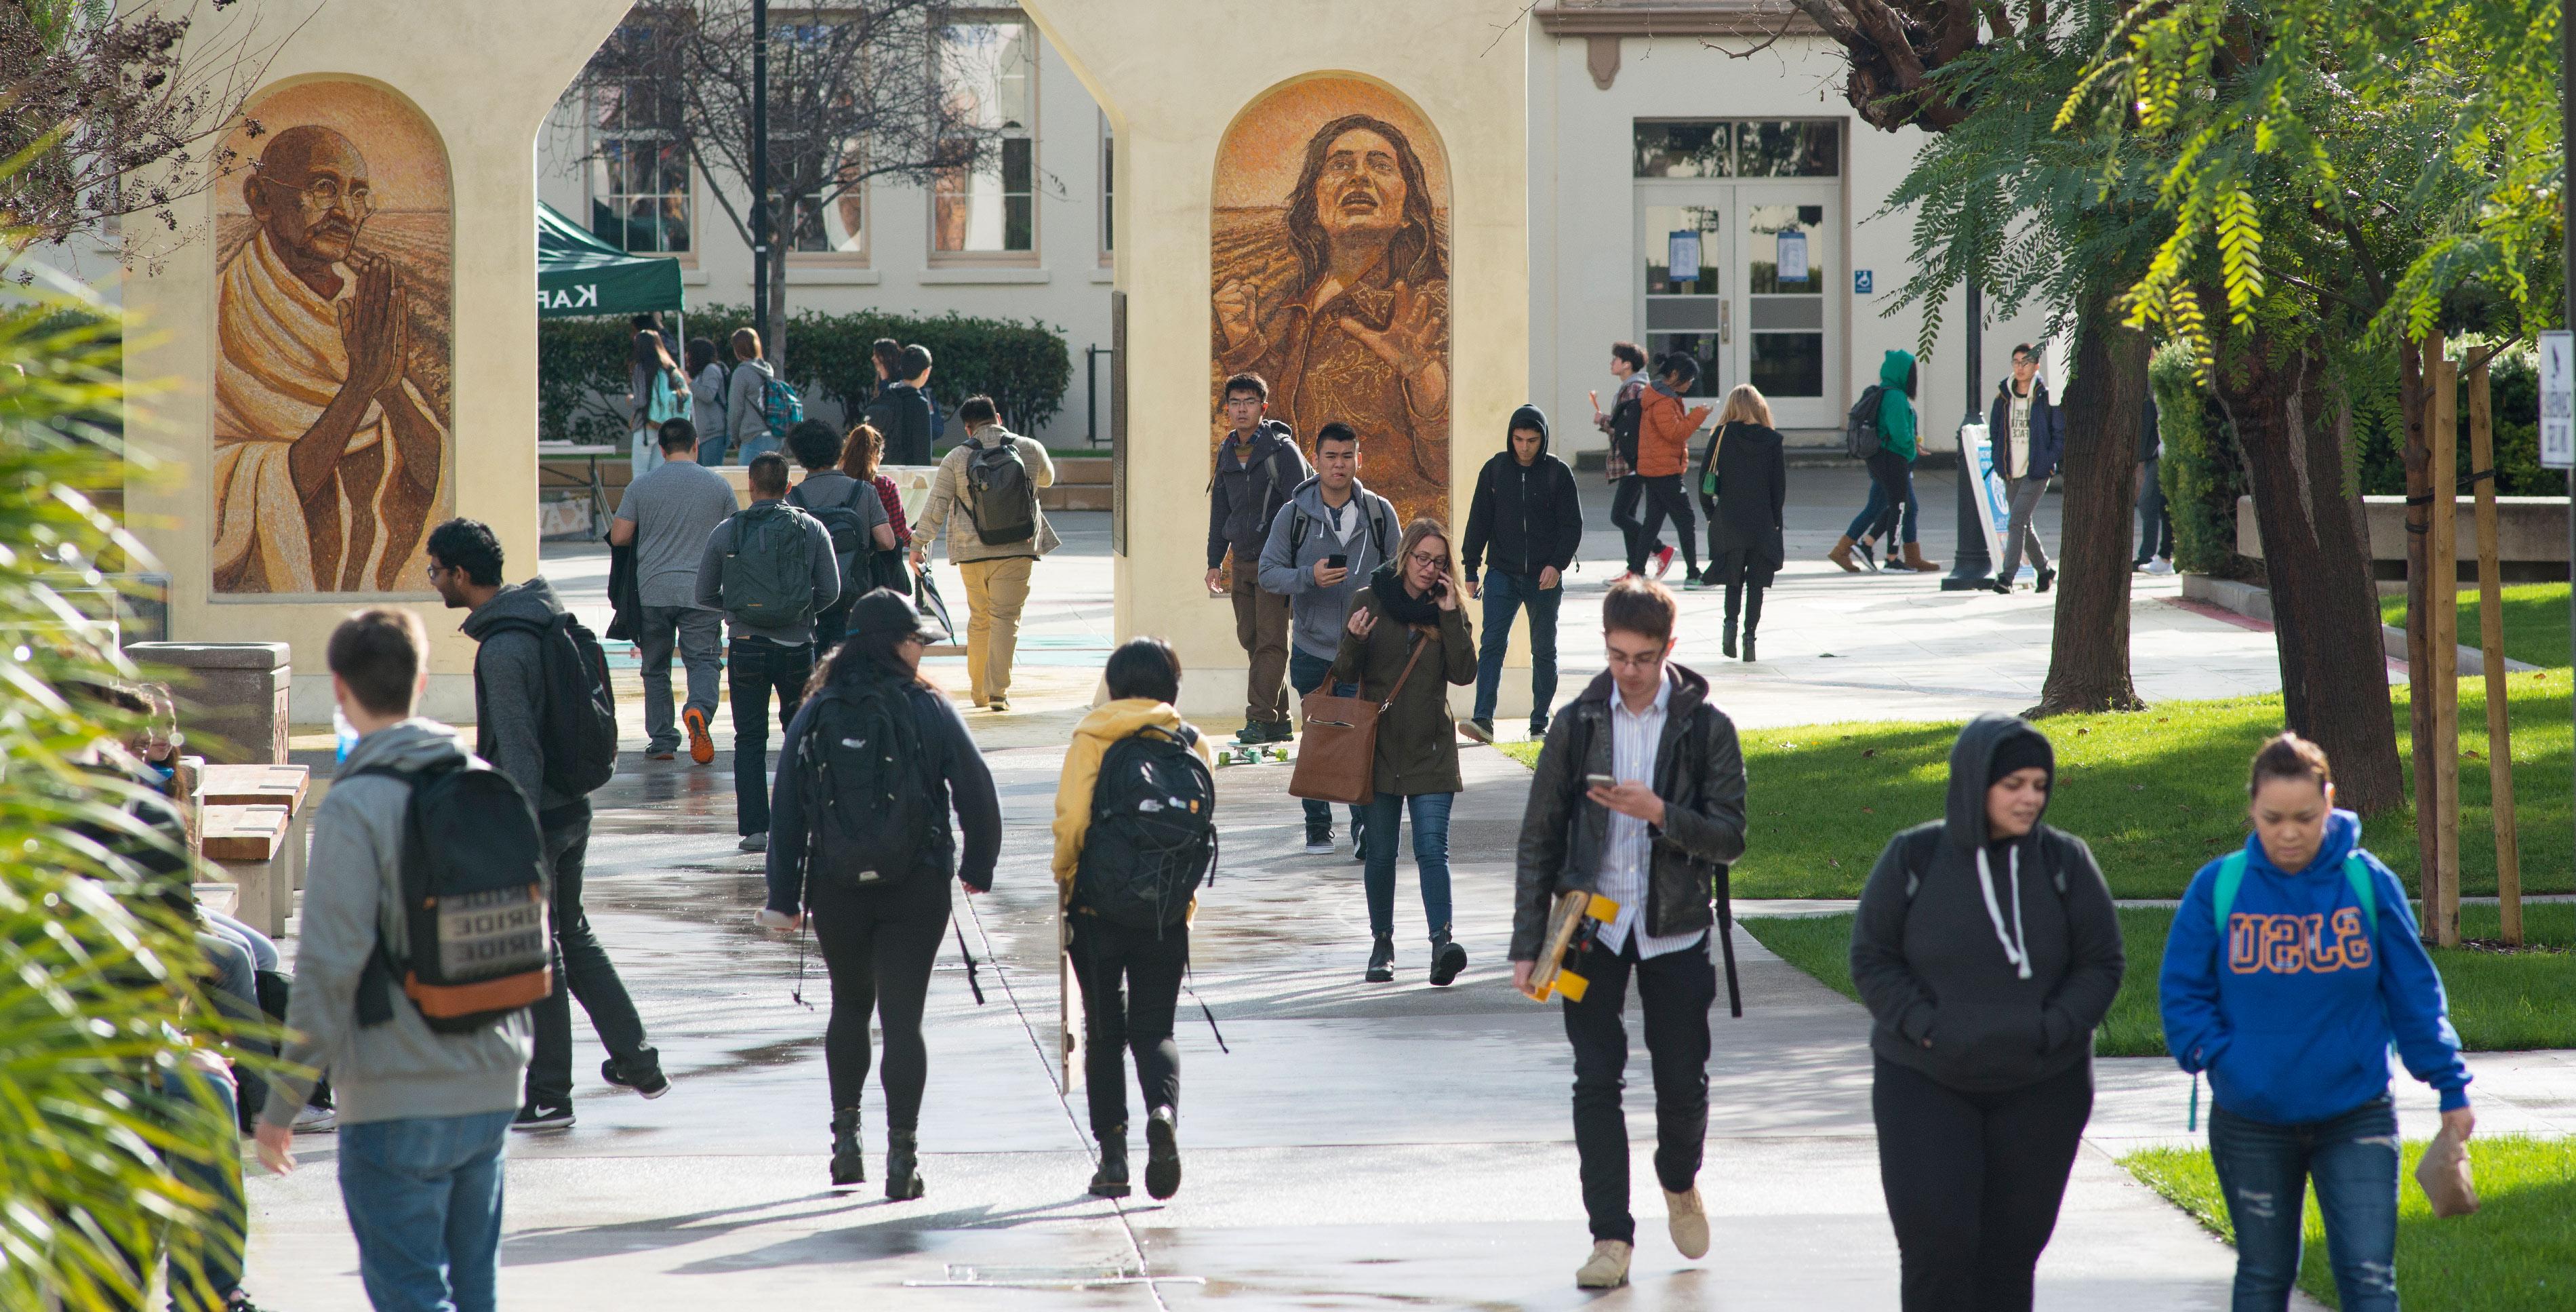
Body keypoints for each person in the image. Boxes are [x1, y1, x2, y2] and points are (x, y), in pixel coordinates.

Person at [253, 608, 531, 1312]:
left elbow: (326, 967)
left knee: (410, 1294)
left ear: (339, 690)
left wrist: (282, 1101)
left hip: (397, 1086)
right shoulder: (480, 780)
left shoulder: (358, 805)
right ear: (423, 679)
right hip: (493, 1076)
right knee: (475, 1293)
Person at [2160, 733, 2472, 1312]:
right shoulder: (2219, 887)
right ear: (2252, 808)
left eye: (2304, 816)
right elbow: (2182, 991)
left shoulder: (2367, 883)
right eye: (2272, 817)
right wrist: (2218, 1055)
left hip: (2355, 1113)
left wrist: (2449, 1083)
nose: (2288, 831)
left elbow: (2413, 993)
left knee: (2368, 1277)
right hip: (2250, 1118)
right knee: (2264, 1272)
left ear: (2329, 801)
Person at [1508, 576, 1748, 1290]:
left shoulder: (1706, 727)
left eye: (1642, 658)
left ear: (1668, 650)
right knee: (1594, 1079)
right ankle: (1609, 1237)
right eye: (1616, 655)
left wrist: (1659, 813)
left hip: (1672, 929)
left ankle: (1678, 1179)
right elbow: (1538, 836)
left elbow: (1730, 839)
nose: (1628, 672)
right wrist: (1527, 943)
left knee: (1681, 1084)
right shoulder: (1577, 722)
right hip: (1589, 931)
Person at [1849, 713, 2125, 1312]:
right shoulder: (1914, 858)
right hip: (1924, 1079)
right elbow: (1872, 957)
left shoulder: (2065, 862)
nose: (2030, 798)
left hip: (2042, 1083)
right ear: (1976, 782)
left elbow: (2102, 963)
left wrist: (2052, 1029)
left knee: (2009, 1252)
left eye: (2039, 784)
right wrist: (1926, 1026)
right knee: (1937, 1245)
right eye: (2013, 785)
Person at [758, 589, 1000, 1199]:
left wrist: (784, 896)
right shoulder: (928, 707)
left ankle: (845, 1144)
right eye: (917, 639)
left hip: (836, 885)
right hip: (916, 883)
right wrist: (977, 864)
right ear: (894, 642)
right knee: (902, 1018)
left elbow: (785, 808)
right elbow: (977, 789)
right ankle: (903, 1156)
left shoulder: (816, 710)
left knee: (848, 1005)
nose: (922, 650)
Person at [428, 519, 665, 1128]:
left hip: (537, 816)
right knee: (573, 933)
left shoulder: (504, 649)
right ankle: (638, 1060)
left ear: (461, 573)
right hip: (573, 806)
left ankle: (551, 1094)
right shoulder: (539, 618)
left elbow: (521, 751)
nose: (434, 583)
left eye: (435, 571)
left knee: (542, 950)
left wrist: (517, 835)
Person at [212, 125, 445, 595]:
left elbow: (432, 474)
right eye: (324, 188)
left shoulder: (361, 311)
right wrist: (360, 388)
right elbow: (252, 488)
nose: (344, 211)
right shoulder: (221, 316)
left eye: (358, 195)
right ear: (260, 199)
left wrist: (389, 388)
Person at [1051, 637, 1212, 1201]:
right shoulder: (1192, 742)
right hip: (1166, 911)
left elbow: (1072, 818)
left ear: (1113, 686)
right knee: (1156, 1029)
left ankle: (1113, 1156)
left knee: (1104, 1031)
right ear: (1173, 687)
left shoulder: (1092, 737)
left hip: (1098, 908)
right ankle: (1162, 1112)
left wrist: (1065, 878)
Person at [1333, 517, 1476, 985]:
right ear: (1405, 554)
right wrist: (1353, 640)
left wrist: (1453, 613)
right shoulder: (1369, 599)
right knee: (1380, 853)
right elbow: (1345, 673)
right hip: (1378, 750)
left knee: (1433, 849)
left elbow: (1463, 672)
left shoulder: (1445, 605)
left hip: (1431, 747)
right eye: (1421, 558)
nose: (1428, 568)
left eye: (1438, 561)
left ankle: (1442, 942)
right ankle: (1383, 943)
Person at [1257, 420, 1401, 858]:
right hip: (1312, 646)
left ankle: (1364, 829)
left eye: (1347, 457)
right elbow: (1268, 573)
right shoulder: (1294, 514)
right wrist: (1309, 576)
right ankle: (1318, 826)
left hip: (1365, 648)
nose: (1339, 466)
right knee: (1318, 735)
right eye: (1330, 457)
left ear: (1359, 459)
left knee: (1364, 739)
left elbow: (1397, 576)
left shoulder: (1379, 513)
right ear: (1315, 459)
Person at [696, 453, 842, 851]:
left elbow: (702, 593)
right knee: (799, 736)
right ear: (789, 487)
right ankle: (801, 822)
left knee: (749, 738)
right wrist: (802, 611)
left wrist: (736, 611)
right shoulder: (811, 528)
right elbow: (831, 590)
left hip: (746, 646)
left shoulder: (726, 532)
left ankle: (756, 830)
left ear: (750, 485)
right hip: (797, 647)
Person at [909, 395, 1057, 712]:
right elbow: (1047, 479)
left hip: (972, 551)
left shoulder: (956, 458)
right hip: (1018, 548)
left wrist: (918, 544)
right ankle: (998, 693)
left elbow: (936, 506)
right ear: (999, 419)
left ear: (968, 428)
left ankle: (978, 691)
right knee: (1006, 618)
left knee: (980, 619)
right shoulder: (1029, 448)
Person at [609, 417, 736, 766]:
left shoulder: (641, 486)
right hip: (703, 591)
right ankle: (698, 711)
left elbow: (620, 537)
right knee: (705, 661)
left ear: (662, 450)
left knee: (655, 667)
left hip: (652, 591)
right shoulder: (719, 486)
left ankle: (663, 741)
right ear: (696, 445)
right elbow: (734, 539)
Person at [1203, 372, 1312, 746]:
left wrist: (1291, 560)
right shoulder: (1226, 450)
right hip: (1242, 561)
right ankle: (1279, 720)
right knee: (1251, 639)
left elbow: (1302, 506)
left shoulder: (1282, 451)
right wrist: (1214, 560)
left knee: (1271, 642)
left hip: (1275, 563)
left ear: (1262, 408)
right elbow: (1220, 509)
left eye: (1249, 402)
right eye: (1235, 403)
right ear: (1228, 409)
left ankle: (1259, 718)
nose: (1241, 409)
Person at [1462, 403, 1581, 742]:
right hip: (1501, 573)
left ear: (1542, 439)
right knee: (1492, 645)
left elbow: (1572, 526)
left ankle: (1540, 722)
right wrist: (1471, 567)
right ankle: (1483, 718)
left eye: (1532, 440)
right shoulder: (1495, 470)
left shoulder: (1558, 473)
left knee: (1543, 649)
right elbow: (1478, 521)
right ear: (1510, 437)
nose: (1525, 447)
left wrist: (1556, 565)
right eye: (1518, 439)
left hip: (1545, 578)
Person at [786, 418, 897, 651]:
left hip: (812, 598)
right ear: (838, 451)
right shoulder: (863, 490)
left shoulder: (793, 499)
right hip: (855, 596)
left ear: (800, 457)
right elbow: (888, 541)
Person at [1697, 384, 1788, 661]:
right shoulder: (1772, 440)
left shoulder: (1722, 435)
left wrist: (1712, 514)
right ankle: (1750, 638)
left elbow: (1705, 481)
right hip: (1762, 521)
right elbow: (1778, 488)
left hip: (1730, 519)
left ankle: (1729, 626)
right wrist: (1775, 521)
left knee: (1732, 579)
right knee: (1757, 584)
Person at [1628, 355, 1711, 583]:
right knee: (1686, 519)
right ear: (1674, 375)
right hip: (1664, 471)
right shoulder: (1663, 402)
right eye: (1689, 378)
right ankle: (1693, 574)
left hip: (1655, 469)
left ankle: (1637, 570)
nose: (1691, 382)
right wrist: (1698, 416)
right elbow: (1675, 434)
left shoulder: (1660, 397)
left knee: (1653, 522)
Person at [1988, 343, 2063, 594]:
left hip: (2036, 472)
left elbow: (2058, 433)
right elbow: (1996, 432)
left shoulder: (2045, 396)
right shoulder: (2003, 397)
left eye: (2026, 363)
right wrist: (1999, 462)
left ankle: (2007, 577)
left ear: (2036, 366)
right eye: (2016, 362)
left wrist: (2047, 461)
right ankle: (2044, 570)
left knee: (2016, 521)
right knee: (2023, 523)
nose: (2020, 368)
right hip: (2011, 470)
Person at [1841, 349, 1922, 576]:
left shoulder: (1886, 392)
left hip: (1883, 457)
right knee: (1899, 505)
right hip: (1893, 457)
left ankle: (1867, 544)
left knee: (1898, 504)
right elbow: (1900, 433)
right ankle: (1892, 558)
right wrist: (1910, 450)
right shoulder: (1895, 397)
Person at [1596, 342, 1668, 580]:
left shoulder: (1632, 389)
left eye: (1615, 359)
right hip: (1634, 460)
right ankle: (1635, 570)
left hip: (1632, 461)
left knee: (1619, 515)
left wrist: (1604, 420)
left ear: (1627, 364)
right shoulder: (1635, 387)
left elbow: (1627, 427)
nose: (1612, 363)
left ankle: (1660, 549)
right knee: (1628, 515)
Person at [839, 420, 916, 593]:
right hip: (878, 571)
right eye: (881, 453)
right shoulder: (885, 485)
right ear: (875, 454)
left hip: (842, 565)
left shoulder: (837, 484)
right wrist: (915, 540)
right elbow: (898, 530)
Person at [627, 329, 690, 482]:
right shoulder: (670, 368)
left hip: (646, 427)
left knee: (640, 475)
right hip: (665, 427)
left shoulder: (640, 368)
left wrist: (630, 400)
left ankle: (642, 506)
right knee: (658, 475)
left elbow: (641, 401)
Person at [725, 327, 785, 464]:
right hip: (775, 436)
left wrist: (735, 439)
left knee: (747, 483)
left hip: (754, 437)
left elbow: (735, 410)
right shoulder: (767, 370)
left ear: (738, 349)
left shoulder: (742, 373)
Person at [875, 344, 937, 466]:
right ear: (926, 372)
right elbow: (922, 450)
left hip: (882, 468)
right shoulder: (919, 404)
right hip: (906, 472)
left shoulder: (886, 395)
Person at [2135, 390, 2174, 574]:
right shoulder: (2148, 381)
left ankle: (2156, 555)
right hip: (2156, 452)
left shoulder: (2156, 380)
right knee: (2157, 504)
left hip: (2161, 452)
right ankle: (2156, 555)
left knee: (2150, 502)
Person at [685, 336, 730, 466]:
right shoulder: (702, 372)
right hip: (704, 434)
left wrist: (690, 383)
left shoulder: (711, 369)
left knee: (710, 473)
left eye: (689, 352)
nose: (687, 355)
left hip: (714, 432)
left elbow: (708, 395)